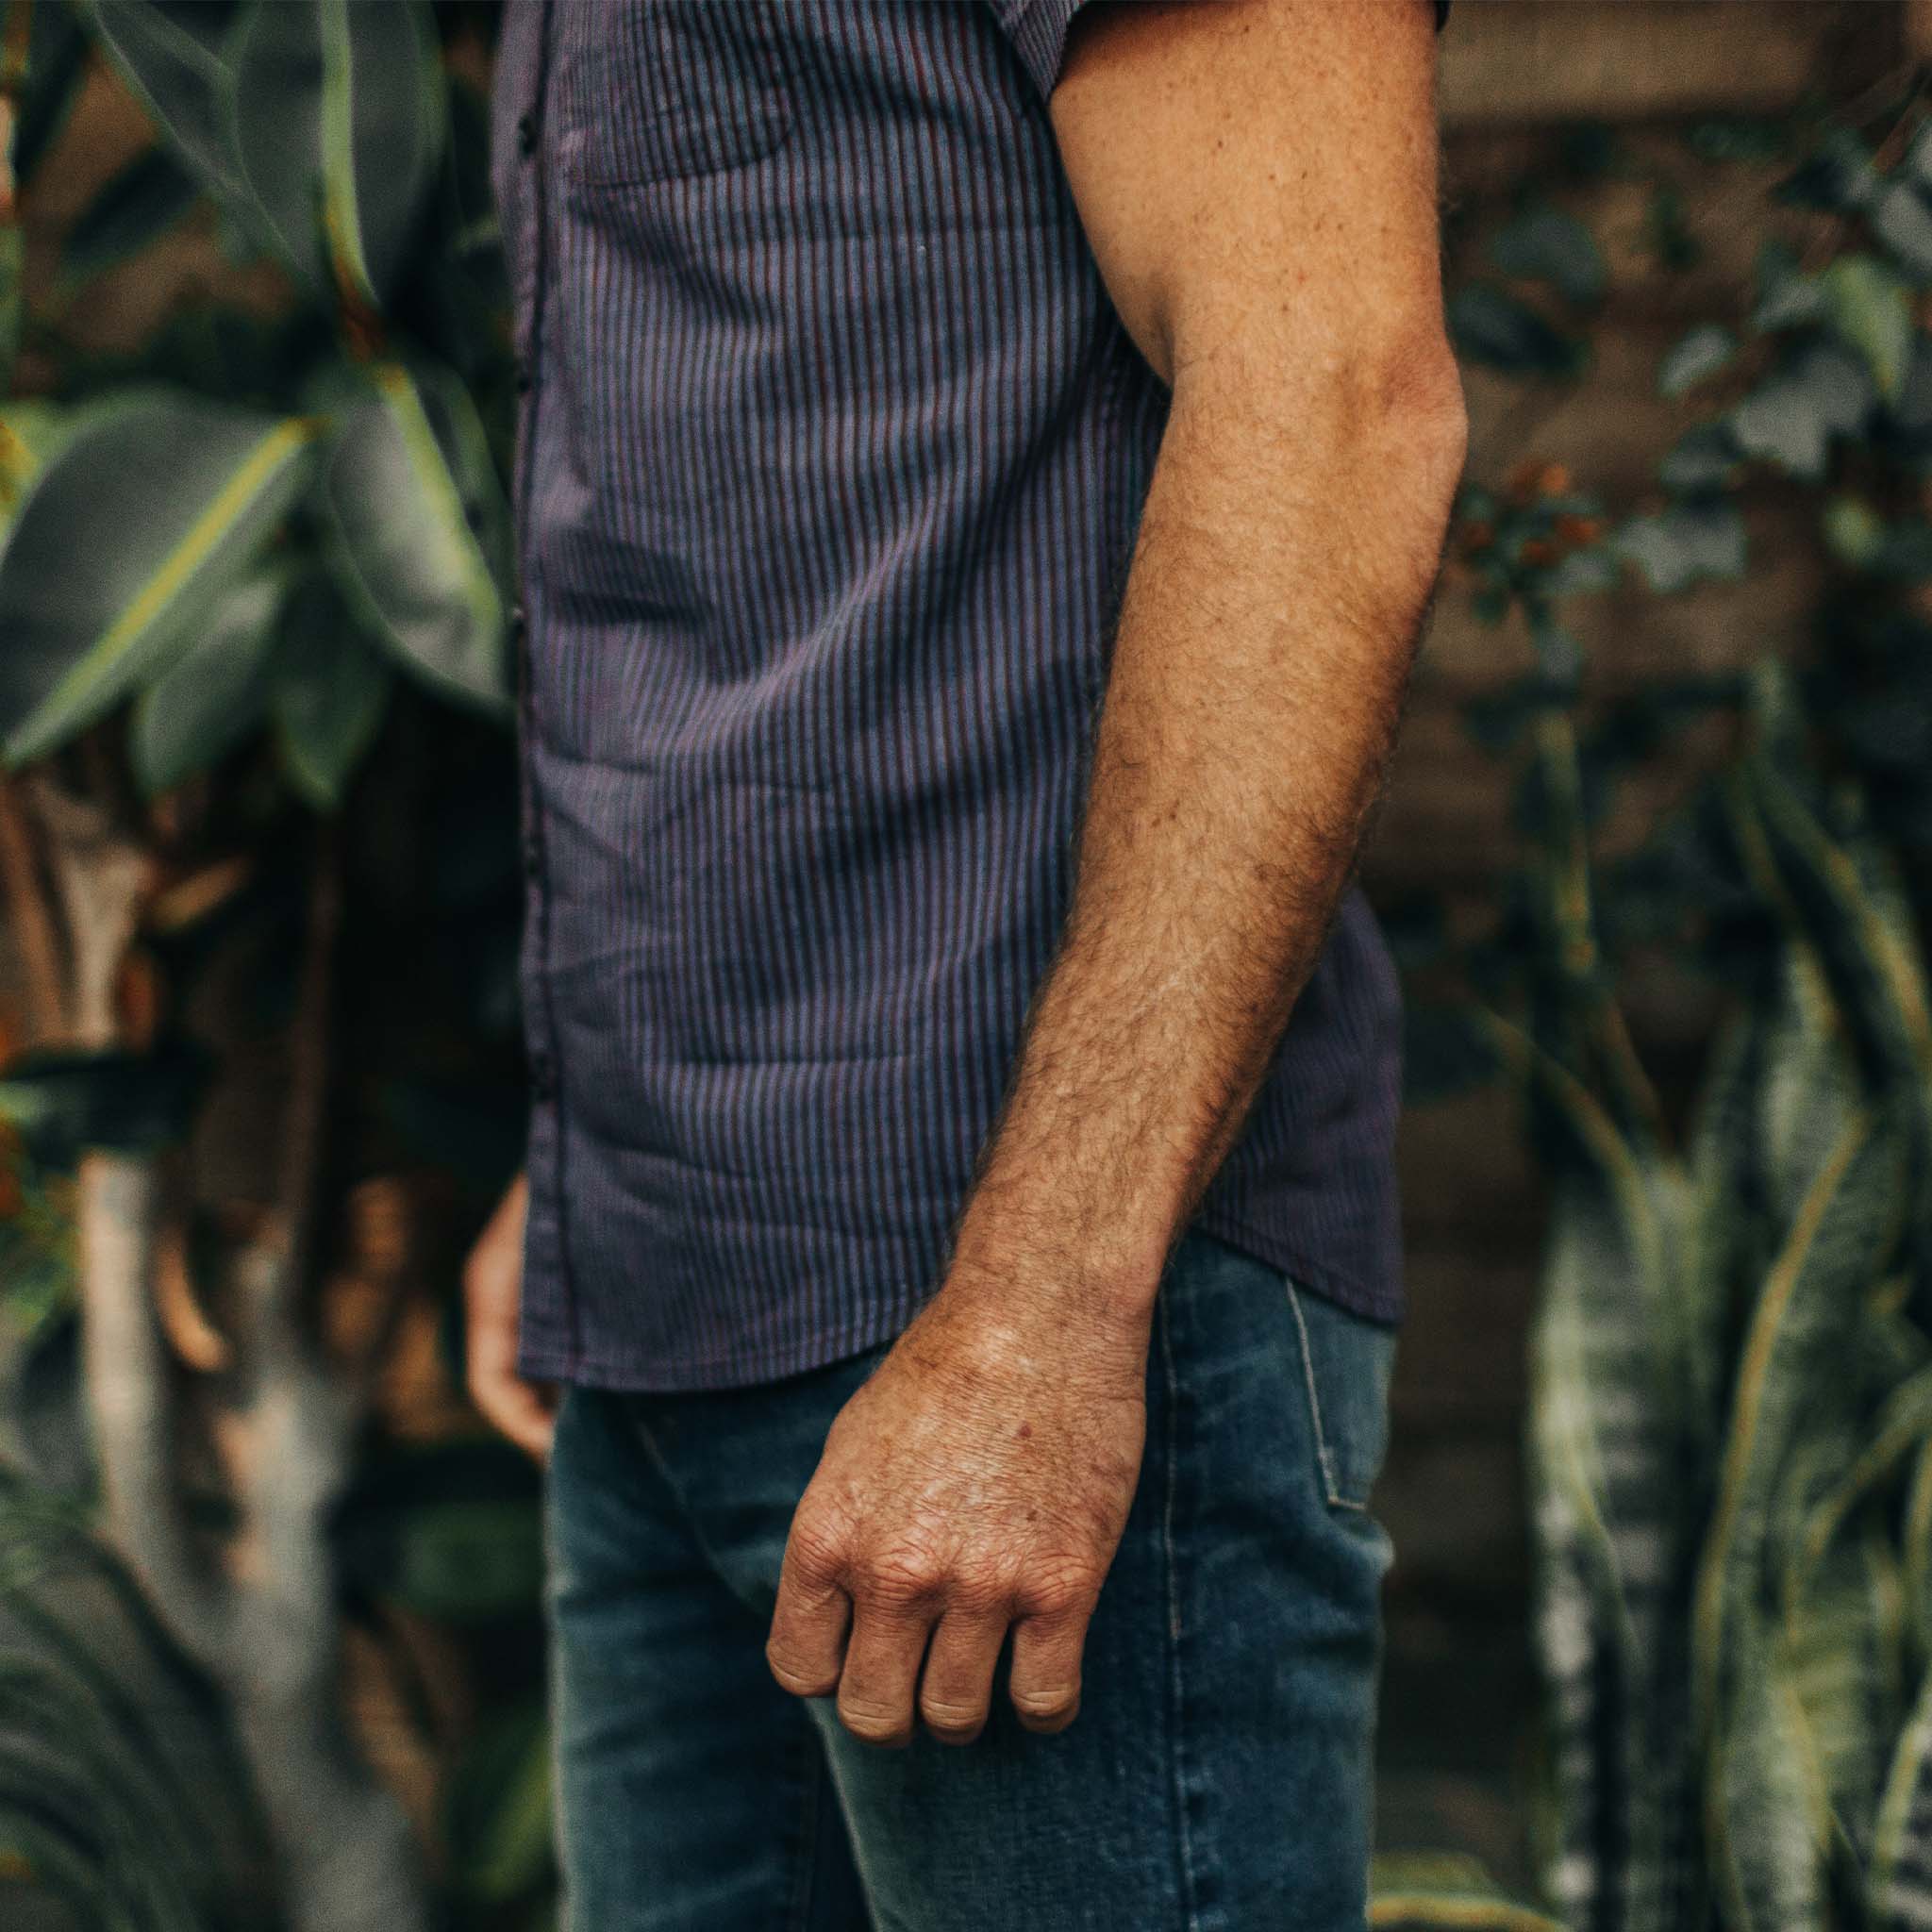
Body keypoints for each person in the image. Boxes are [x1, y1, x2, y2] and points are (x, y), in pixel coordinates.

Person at [471, 1, 1463, 1924]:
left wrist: (1039, 1314)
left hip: (1027, 1312)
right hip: (664, 1299)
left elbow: (1332, 398)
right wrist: (591, 1138)